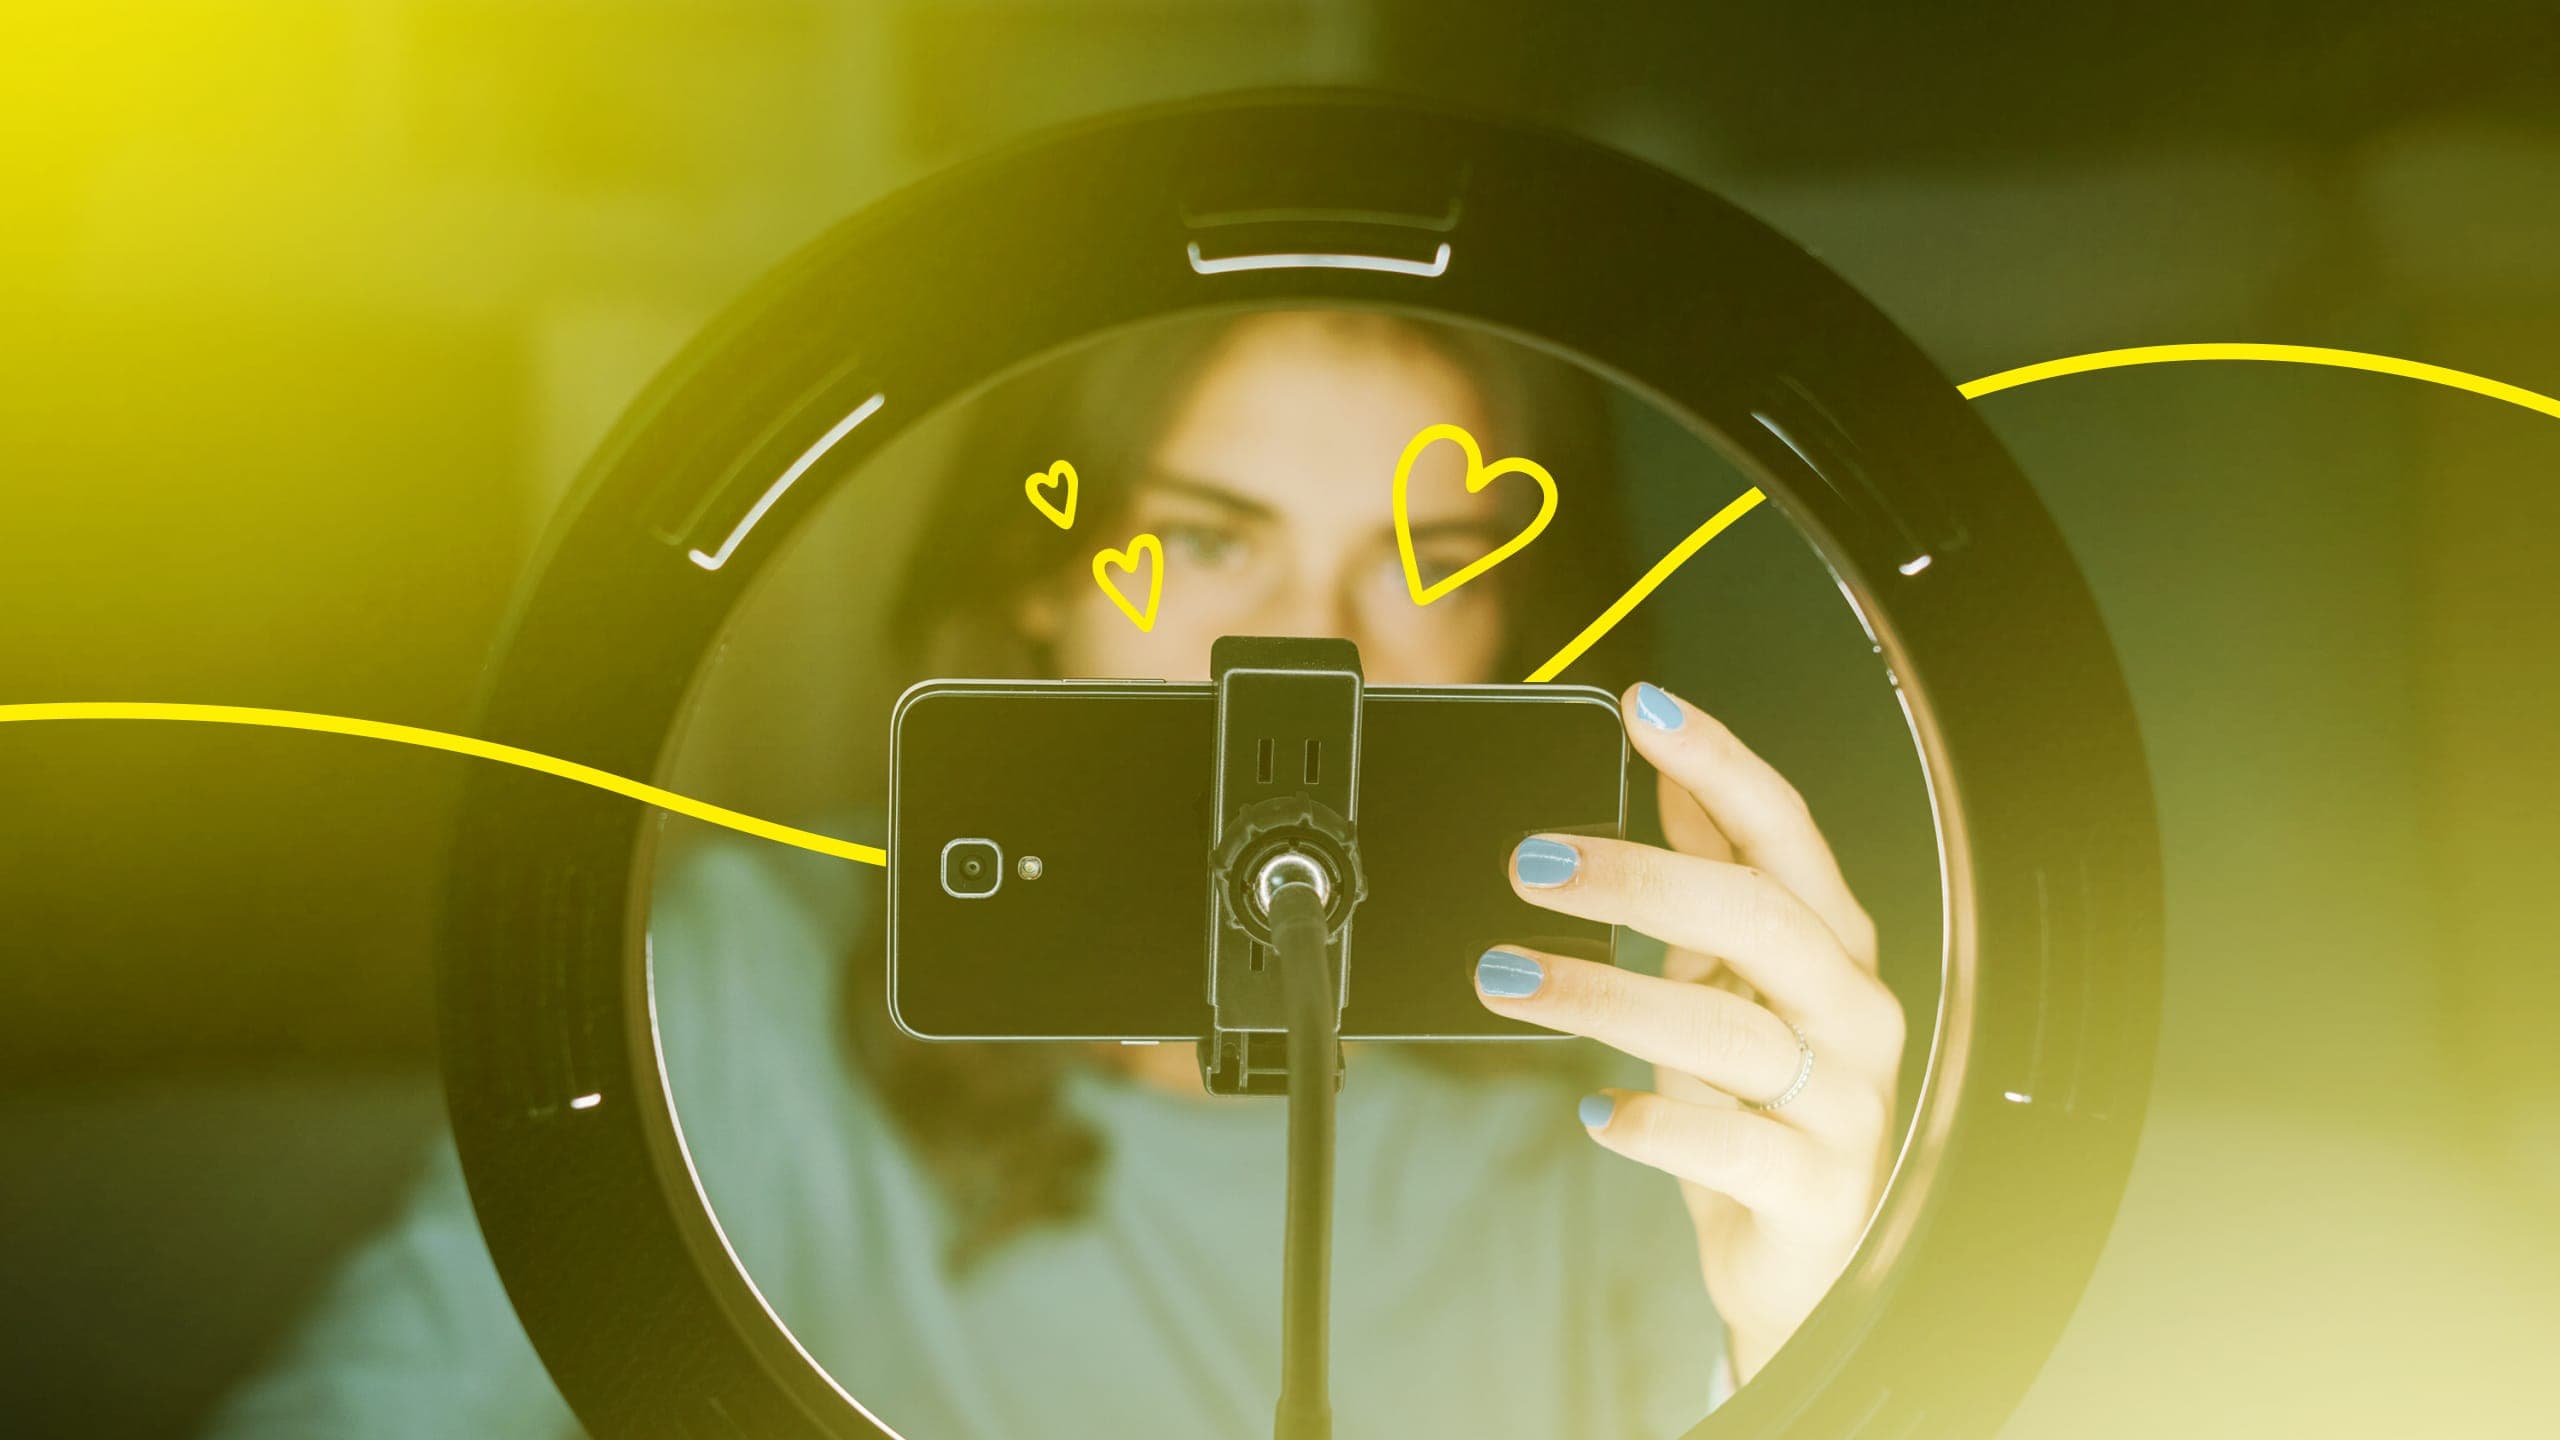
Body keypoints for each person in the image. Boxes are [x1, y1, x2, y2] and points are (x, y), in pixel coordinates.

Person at [207, 309, 1904, 1439]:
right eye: (1212, 540)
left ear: (1516, 634)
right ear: (1041, 582)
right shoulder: (740, 992)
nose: (1305, 648)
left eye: (1425, 563)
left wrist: (1837, 1347)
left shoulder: (1651, 1090)